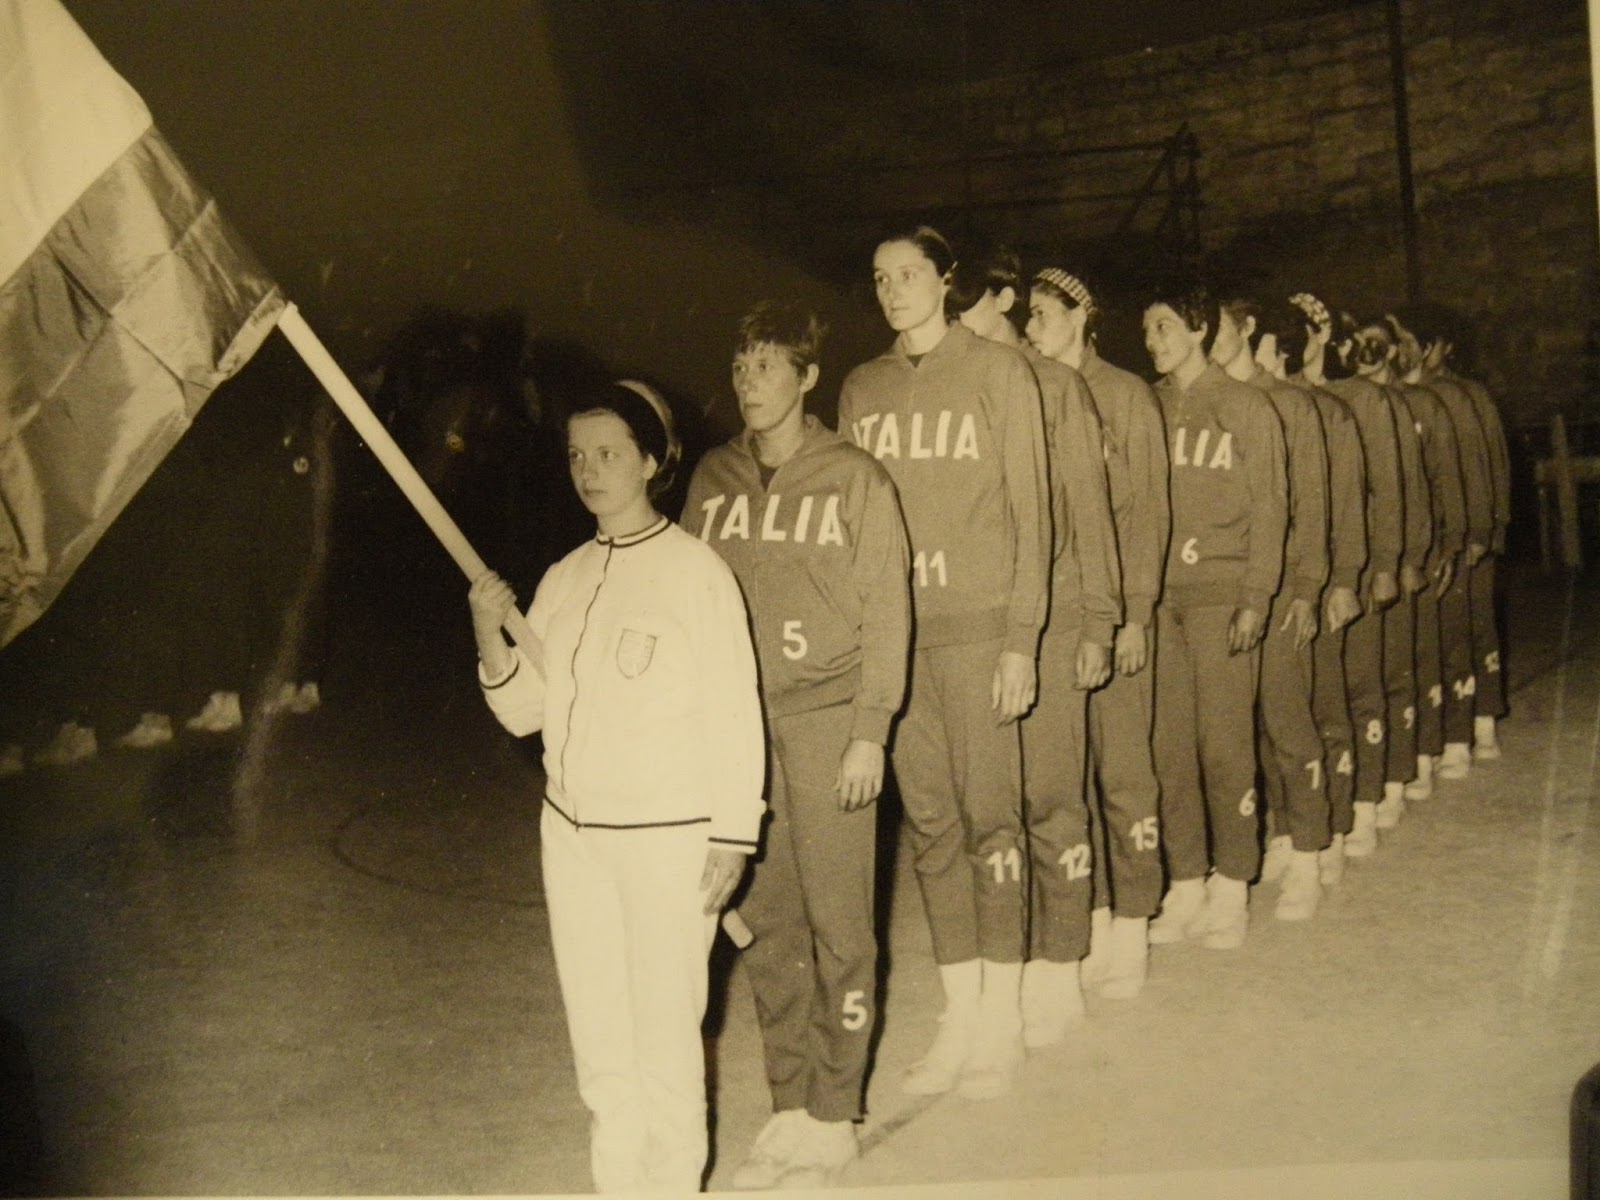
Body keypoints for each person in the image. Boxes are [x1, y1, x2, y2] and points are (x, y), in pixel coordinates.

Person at [469, 379, 764, 1193]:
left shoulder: (695, 572)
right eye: (577, 456)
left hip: (668, 841)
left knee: (666, 1036)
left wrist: (733, 835)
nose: (589, 471)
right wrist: (488, 631)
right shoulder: (564, 577)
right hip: (572, 840)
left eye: (608, 454)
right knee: (600, 1041)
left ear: (650, 460)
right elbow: (525, 711)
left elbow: (735, 712)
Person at [683, 301, 910, 1189]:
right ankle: (789, 1098)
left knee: (839, 921)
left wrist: (869, 732)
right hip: (743, 729)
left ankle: (837, 1107)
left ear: (808, 377)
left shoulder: (855, 478)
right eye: (741, 368)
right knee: (765, 921)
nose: (752, 384)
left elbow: (889, 611)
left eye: (771, 366)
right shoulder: (714, 478)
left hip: (827, 722)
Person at [839, 225, 1051, 1100]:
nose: (894, 290)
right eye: (881, 277)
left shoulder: (1001, 372)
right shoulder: (862, 387)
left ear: (946, 281)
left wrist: (1021, 638)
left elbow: (1035, 515)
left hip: (979, 629)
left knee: (991, 820)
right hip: (901, 638)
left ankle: (1002, 1016)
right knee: (929, 826)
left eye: (910, 275)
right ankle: (960, 1011)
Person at [950, 252, 1120, 1043]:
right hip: (977, 622)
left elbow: (1089, 510)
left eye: (967, 306)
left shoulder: (1057, 387)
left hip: (1050, 621)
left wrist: (1100, 619)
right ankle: (994, 982)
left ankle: (1061, 965)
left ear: (1004, 303)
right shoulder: (951, 388)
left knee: (1052, 797)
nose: (954, 322)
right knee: (988, 810)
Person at [1027, 266, 1169, 998]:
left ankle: (1135, 924)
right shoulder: (1033, 395)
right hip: (1058, 618)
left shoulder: (1125, 395)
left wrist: (1136, 614)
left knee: (1122, 771)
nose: (1031, 329)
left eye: (1045, 315)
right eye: (1027, 315)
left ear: (1081, 318)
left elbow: (1147, 516)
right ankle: (1093, 916)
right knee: (1065, 781)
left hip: (1114, 612)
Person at [1142, 279, 1287, 951]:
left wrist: (1257, 595)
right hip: (1164, 599)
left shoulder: (1244, 405)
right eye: (1147, 331)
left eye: (1165, 327)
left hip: (1223, 593)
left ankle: (1234, 881)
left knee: (1224, 744)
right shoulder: (1150, 408)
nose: (1153, 342)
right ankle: (1187, 880)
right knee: (1169, 749)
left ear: (1199, 328)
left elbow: (1271, 505)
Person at [1211, 296, 1331, 922]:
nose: (1209, 336)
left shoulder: (1288, 405)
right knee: (1236, 732)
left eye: (1221, 326)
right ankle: (1274, 836)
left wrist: (1310, 587)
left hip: (1279, 584)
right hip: (1217, 592)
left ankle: (1309, 850)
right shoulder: (1195, 401)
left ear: (1246, 328)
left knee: (1287, 720)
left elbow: (1309, 502)